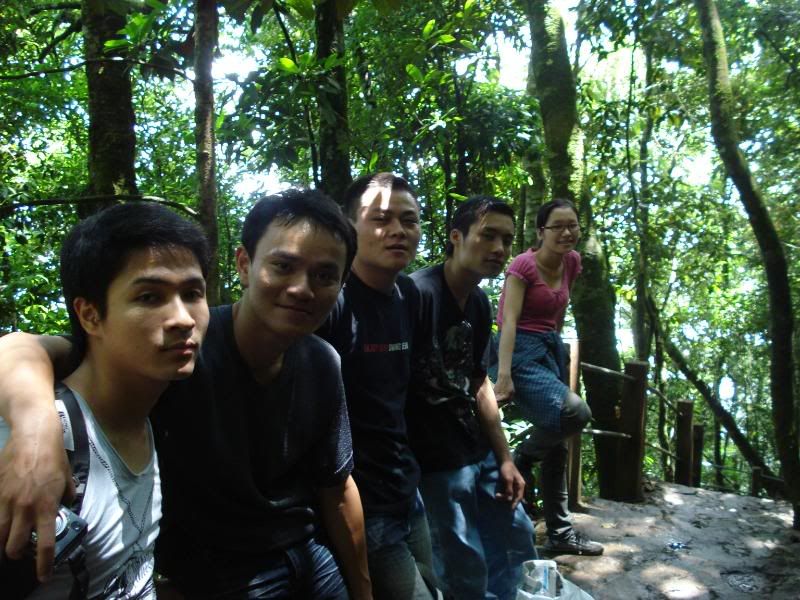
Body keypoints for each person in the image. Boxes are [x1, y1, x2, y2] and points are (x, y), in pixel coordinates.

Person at [0, 190, 373, 598]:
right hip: (222, 569)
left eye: (193, 294)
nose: (302, 288)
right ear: (244, 264)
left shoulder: (317, 362)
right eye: (283, 266)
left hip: (304, 549)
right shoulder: (168, 360)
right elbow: (26, 348)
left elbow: (336, 484)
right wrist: (35, 430)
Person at [0, 202, 211, 598]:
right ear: (90, 315)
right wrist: (34, 429)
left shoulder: (161, 399)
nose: (183, 318)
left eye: (192, 293)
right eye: (149, 297)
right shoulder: (36, 451)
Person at [407, 196, 537, 600]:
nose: (499, 248)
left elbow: (479, 382)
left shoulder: (479, 303)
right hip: (435, 462)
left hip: (476, 449)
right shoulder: (417, 294)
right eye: (488, 236)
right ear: (456, 237)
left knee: (517, 540)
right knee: (463, 567)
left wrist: (505, 458)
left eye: (507, 240)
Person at [317, 173, 438, 599]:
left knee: (433, 586)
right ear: (350, 227)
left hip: (406, 488)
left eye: (410, 220)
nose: (398, 230)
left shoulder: (410, 295)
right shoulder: (332, 302)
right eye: (381, 219)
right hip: (361, 501)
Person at [492, 198, 603, 556]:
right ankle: (522, 459)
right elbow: (508, 322)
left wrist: (557, 351)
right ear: (542, 231)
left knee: (558, 443)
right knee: (575, 412)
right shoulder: (522, 266)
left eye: (573, 225)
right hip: (518, 352)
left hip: (548, 349)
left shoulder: (572, 262)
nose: (567, 232)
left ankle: (560, 532)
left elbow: (556, 312)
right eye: (558, 226)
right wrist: (504, 375)